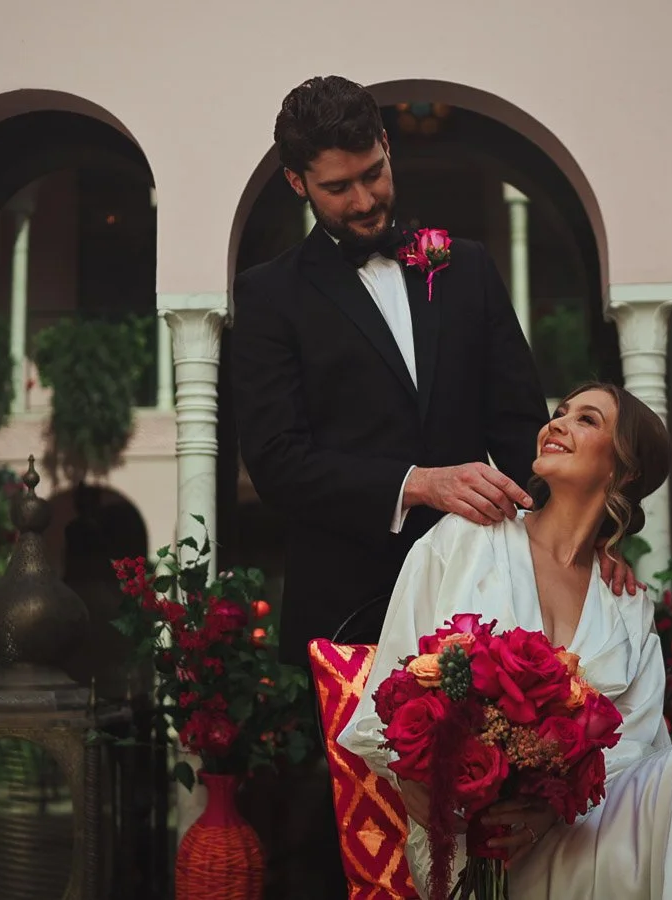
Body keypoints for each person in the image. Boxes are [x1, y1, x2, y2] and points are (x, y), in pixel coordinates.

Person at [227, 75, 639, 672]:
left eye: (373, 173)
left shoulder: (466, 268)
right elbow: (277, 464)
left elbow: (524, 432)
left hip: (482, 606)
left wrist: (586, 544)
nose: (365, 201)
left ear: (387, 145)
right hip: (349, 615)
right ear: (298, 183)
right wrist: (415, 484)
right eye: (338, 187)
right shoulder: (268, 295)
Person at [339, 383, 672, 899]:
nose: (557, 423)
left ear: (625, 471)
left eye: (587, 420)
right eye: (559, 413)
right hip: (475, 850)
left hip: (583, 832)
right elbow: (384, 704)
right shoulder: (466, 540)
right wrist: (424, 781)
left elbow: (635, 752)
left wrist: (550, 806)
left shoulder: (625, 603)